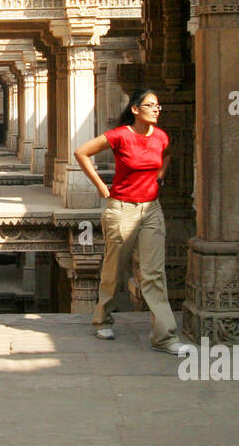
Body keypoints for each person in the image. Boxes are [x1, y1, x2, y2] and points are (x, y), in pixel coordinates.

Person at [74, 88, 188, 355]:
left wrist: (161, 176)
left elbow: (168, 154)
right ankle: (102, 319)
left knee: (154, 274)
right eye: (151, 105)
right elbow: (82, 152)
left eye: (158, 105)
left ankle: (165, 337)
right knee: (115, 268)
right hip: (122, 209)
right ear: (136, 109)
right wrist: (102, 187)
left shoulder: (160, 137)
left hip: (151, 210)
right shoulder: (120, 136)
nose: (157, 109)